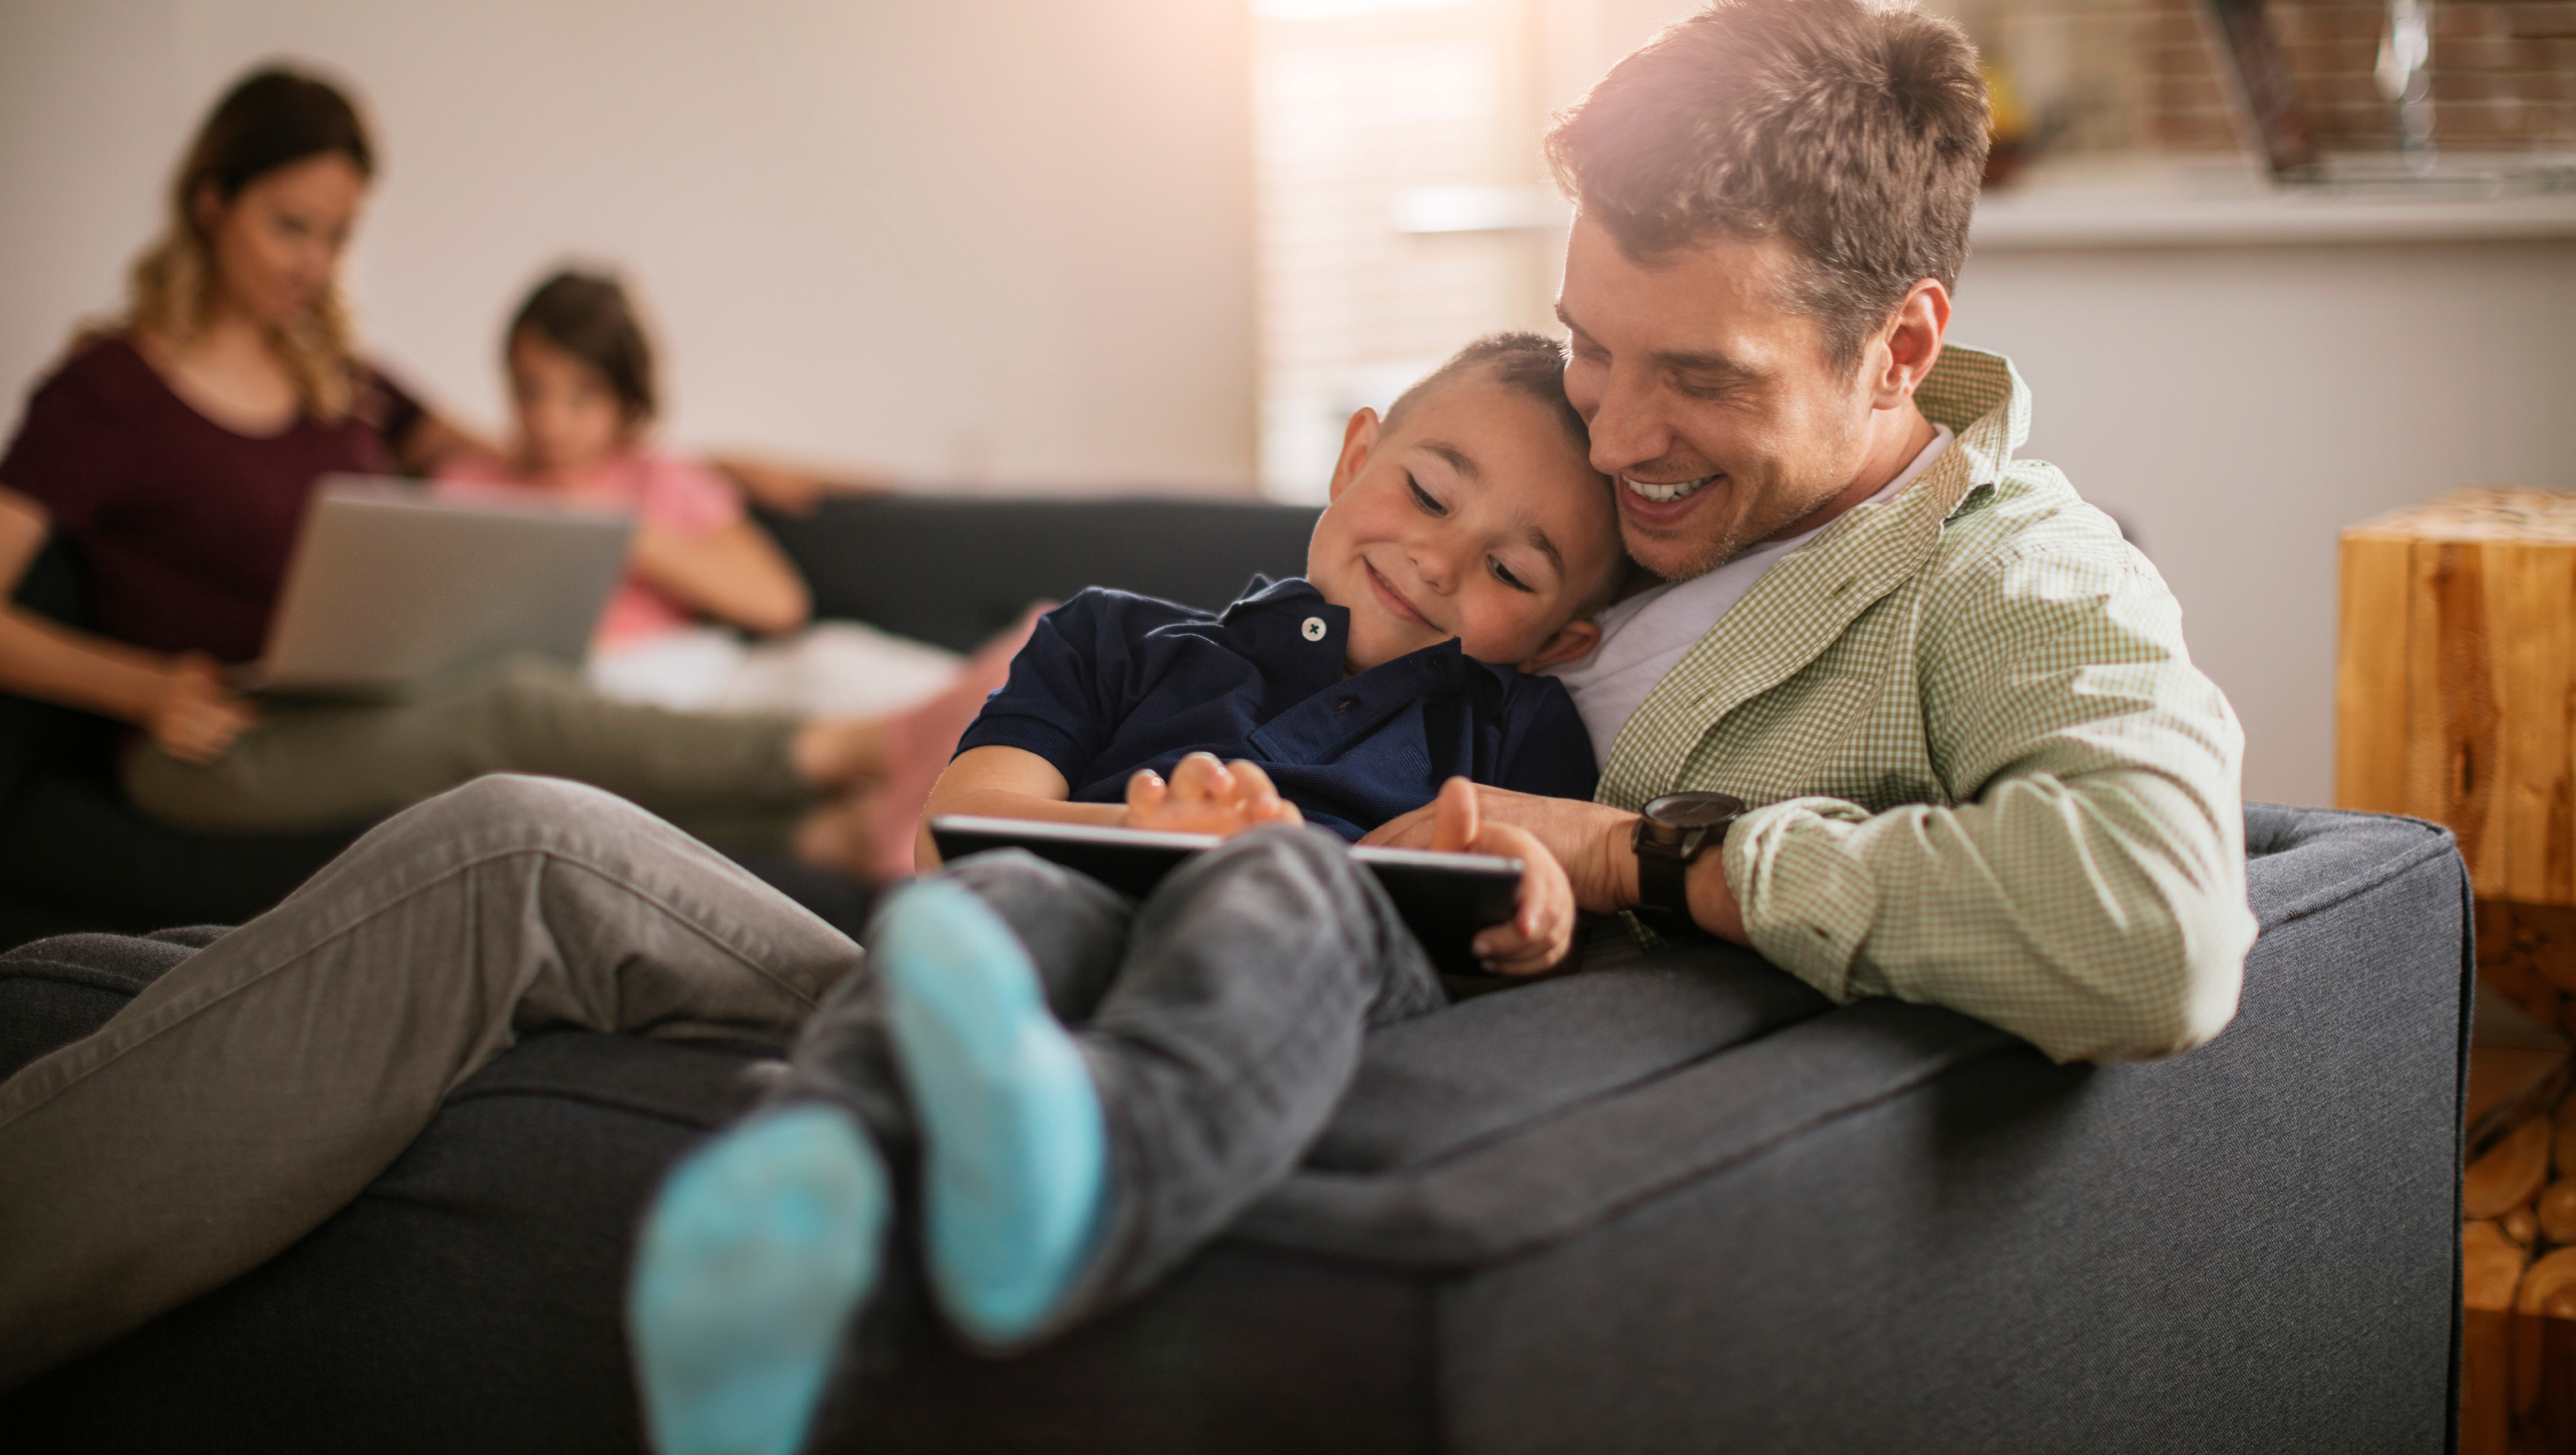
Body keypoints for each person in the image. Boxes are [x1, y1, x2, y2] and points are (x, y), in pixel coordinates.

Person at [0, 332, 1627, 1406]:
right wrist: (1138, 828)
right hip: (1013, 955)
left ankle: (1078, 1181)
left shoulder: (1515, 725)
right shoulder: (1118, 635)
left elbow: (1503, 893)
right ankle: (804, 1199)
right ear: (1349, 457)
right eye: (1423, 490)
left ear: (1559, 631)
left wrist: (1503, 889)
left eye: (1510, 568)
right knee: (535, 831)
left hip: (1247, 994)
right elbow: (965, 820)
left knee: (1281, 882)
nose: (1435, 559)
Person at [1363, 0, 2256, 1067]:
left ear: (1900, 347)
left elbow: (2157, 933)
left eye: (1701, 379)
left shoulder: (2008, 579)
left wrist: (1635, 857)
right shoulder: (1565, 491)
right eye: (1591, 349)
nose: (1612, 444)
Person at [0, 66, 997, 874]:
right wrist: (142, 687)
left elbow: (525, 459)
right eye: (289, 224)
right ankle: (864, 747)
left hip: (346, 697)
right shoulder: (107, 394)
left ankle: (829, 833)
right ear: (212, 202)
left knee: (526, 747)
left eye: (339, 235)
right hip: (210, 745)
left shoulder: (342, 378)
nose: (314, 262)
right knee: (511, 706)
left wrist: (694, 463)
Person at [439, 269, 978, 729]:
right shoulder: (468, 488)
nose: (549, 421)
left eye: (582, 397)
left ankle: (1013, 690)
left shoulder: (659, 476)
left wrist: (619, 530)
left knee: (830, 664)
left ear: (627, 400)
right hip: (585, 699)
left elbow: (778, 604)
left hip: (697, 679)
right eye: (530, 390)